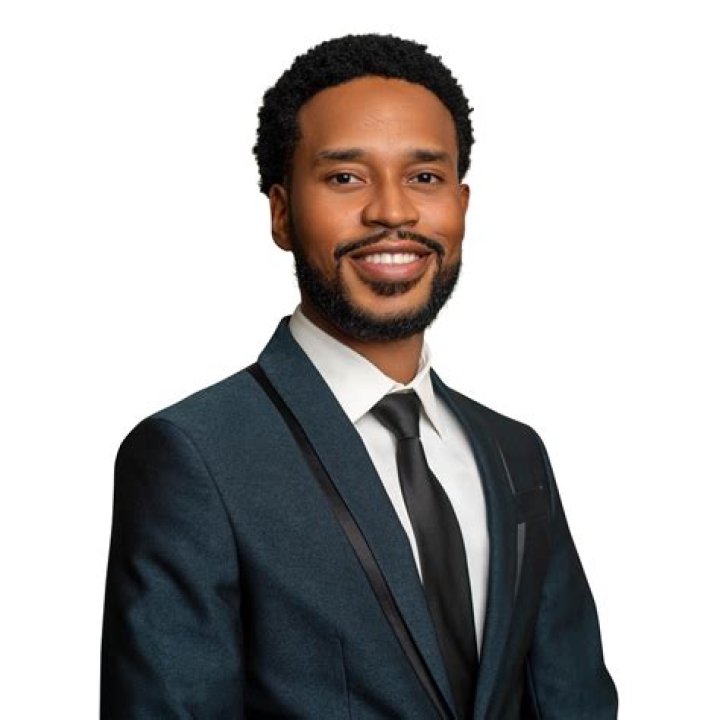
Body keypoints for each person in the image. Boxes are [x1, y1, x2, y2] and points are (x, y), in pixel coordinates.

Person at [101, 33, 618, 719]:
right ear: (282, 212)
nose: (393, 212)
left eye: (424, 177)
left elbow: (573, 701)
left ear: (462, 204)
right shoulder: (195, 455)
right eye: (346, 177)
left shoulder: (515, 452)